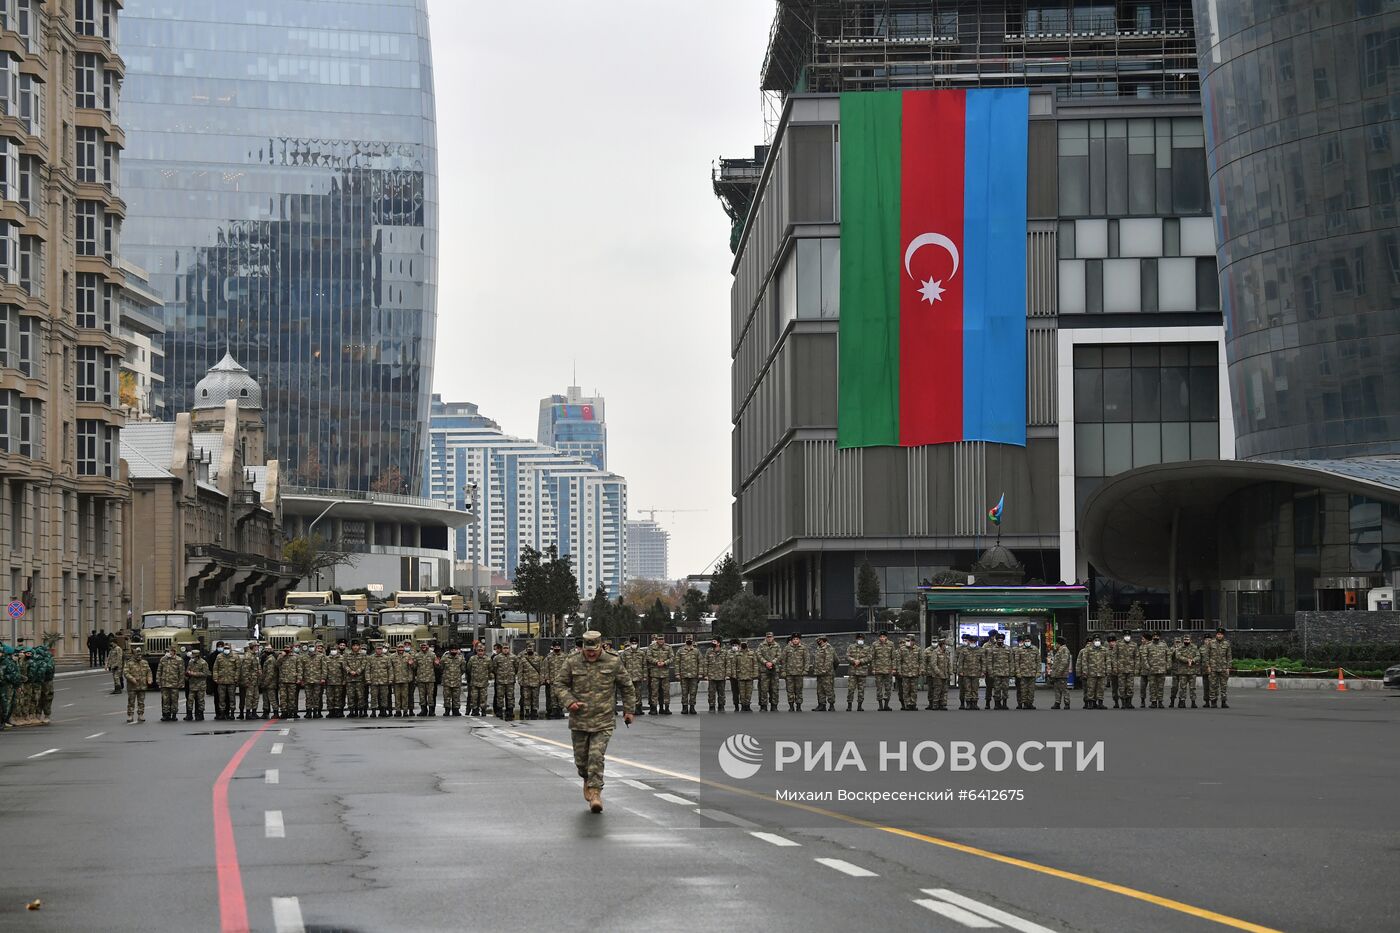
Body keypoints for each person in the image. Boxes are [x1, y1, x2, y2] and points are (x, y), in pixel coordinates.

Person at [552, 630, 636, 814]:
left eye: (594, 651)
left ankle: (596, 793)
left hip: (603, 719)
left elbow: (627, 686)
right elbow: (559, 684)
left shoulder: (613, 661)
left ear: (600, 647)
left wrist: (629, 710)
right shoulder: (572, 661)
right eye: (587, 650)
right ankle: (586, 779)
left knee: (596, 757)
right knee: (582, 761)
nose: (590, 654)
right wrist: (570, 701)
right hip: (579, 719)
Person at [1204, 627, 1233, 708]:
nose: (1219, 636)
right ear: (1216, 634)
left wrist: (1228, 667)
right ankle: (1213, 702)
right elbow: (1207, 655)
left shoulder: (1227, 643)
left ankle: (1224, 702)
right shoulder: (1211, 643)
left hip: (1223, 668)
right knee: (1213, 685)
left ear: (1223, 635)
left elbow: (1229, 656)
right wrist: (1208, 666)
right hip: (1213, 668)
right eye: (1218, 634)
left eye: (1221, 634)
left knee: (1223, 686)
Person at [645, 634, 673, 715]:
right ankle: (654, 708)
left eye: (662, 639)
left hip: (665, 673)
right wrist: (656, 662)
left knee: (666, 691)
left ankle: (665, 708)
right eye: (659, 639)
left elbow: (672, 657)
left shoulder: (668, 647)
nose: (661, 641)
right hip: (655, 673)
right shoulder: (651, 647)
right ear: (656, 640)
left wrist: (665, 663)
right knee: (654, 691)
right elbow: (648, 657)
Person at [156, 646, 185, 723]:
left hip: (174, 683)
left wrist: (181, 683)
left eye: (171, 651)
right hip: (164, 683)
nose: (170, 652)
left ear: (174, 651)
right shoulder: (163, 659)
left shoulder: (179, 660)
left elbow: (181, 673)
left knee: (174, 700)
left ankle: (174, 715)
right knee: (165, 700)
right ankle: (166, 715)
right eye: (169, 651)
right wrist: (158, 681)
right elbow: (159, 671)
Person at [1079, 636, 1109, 709]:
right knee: (1091, 688)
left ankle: (1100, 703)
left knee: (1101, 688)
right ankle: (1090, 703)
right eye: (1096, 640)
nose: (1097, 641)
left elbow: (1108, 660)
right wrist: (1085, 671)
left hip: (1101, 672)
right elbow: (1084, 661)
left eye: (1098, 640)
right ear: (1093, 641)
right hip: (1091, 672)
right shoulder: (1088, 650)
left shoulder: (1104, 650)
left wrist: (1108, 670)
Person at [781, 634, 809, 711]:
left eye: (797, 639)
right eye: (794, 639)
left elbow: (806, 660)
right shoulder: (787, 648)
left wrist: (806, 670)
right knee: (790, 691)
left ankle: (799, 706)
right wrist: (783, 671)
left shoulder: (803, 648)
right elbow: (783, 660)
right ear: (791, 640)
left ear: (799, 640)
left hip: (799, 673)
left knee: (799, 690)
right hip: (789, 673)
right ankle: (791, 706)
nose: (795, 640)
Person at [922, 636, 951, 710]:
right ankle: (934, 704)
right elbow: (933, 664)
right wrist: (938, 672)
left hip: (945, 674)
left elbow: (948, 663)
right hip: (936, 674)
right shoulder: (935, 652)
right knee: (936, 690)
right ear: (942, 645)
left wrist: (949, 671)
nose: (946, 646)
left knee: (944, 690)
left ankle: (943, 704)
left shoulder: (947, 652)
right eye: (945, 645)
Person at [491, 642, 518, 720]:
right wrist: (499, 674)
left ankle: (510, 711)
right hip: (500, 681)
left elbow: (516, 668)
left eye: (507, 648)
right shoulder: (497, 658)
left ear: (509, 649)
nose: (506, 650)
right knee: (500, 696)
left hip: (510, 681)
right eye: (504, 648)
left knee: (510, 697)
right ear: (502, 649)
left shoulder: (514, 657)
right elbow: (494, 668)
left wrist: (512, 674)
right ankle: (499, 710)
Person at [755, 632, 781, 712]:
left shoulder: (777, 645)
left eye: (771, 637)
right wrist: (766, 662)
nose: (769, 638)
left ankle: (774, 705)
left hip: (774, 670)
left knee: (774, 689)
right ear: (766, 637)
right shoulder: (761, 645)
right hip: (764, 670)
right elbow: (758, 655)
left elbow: (779, 655)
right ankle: (763, 706)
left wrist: (772, 662)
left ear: (773, 637)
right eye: (768, 637)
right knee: (763, 689)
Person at [675, 636, 702, 715]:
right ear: (685, 640)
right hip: (683, 675)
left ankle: (692, 707)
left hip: (694, 675)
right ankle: (684, 707)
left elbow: (700, 662)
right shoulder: (680, 650)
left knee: (693, 692)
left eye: (690, 639)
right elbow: (677, 663)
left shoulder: (696, 651)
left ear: (692, 640)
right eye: (687, 639)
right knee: (684, 692)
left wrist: (700, 673)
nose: (689, 640)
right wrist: (677, 673)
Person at [124, 649, 152, 723]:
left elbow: (149, 672)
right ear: (134, 655)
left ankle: (141, 714)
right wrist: (132, 678)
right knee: (131, 701)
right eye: (137, 655)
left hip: (142, 686)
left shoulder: (144, 662)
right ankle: (130, 715)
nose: (139, 656)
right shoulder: (129, 663)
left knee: (141, 701)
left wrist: (149, 679)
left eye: (140, 655)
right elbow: (126, 673)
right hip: (132, 686)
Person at [1171, 635, 1199, 708]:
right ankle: (1182, 702)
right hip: (1183, 671)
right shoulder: (1179, 647)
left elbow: (1198, 656)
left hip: (1192, 671)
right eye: (1185, 640)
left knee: (1192, 688)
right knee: (1183, 687)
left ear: (1190, 640)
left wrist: (1193, 660)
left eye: (1188, 640)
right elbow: (1178, 656)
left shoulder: (1194, 647)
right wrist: (1187, 660)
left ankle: (1193, 702)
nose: (1186, 641)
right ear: (1183, 640)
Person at [621, 637, 647, 715]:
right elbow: (622, 665)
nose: (634, 644)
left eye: (635, 643)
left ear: (638, 643)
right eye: (632, 643)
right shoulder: (625, 653)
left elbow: (644, 665)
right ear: (630, 643)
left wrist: (645, 675)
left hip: (638, 676)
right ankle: (627, 710)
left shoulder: (641, 653)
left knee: (638, 693)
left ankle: (638, 709)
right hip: (628, 677)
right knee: (627, 693)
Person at [516, 643, 542, 719]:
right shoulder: (523, 659)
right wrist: (520, 680)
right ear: (526, 650)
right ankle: (527, 711)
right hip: (526, 682)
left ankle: (534, 710)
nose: (530, 650)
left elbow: (541, 670)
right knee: (526, 697)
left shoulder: (538, 659)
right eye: (529, 649)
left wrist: (541, 680)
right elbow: (520, 671)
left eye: (531, 649)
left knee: (535, 697)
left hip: (535, 681)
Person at [703, 638, 730, 712]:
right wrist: (705, 674)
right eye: (712, 641)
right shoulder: (709, 651)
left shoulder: (724, 652)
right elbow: (705, 663)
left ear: (718, 643)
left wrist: (727, 674)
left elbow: (727, 663)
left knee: (721, 692)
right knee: (711, 692)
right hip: (711, 676)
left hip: (721, 675)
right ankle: (711, 706)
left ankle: (721, 706)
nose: (712, 642)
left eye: (714, 641)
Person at [811, 635, 837, 711]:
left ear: (823, 640)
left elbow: (830, 661)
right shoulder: (819, 649)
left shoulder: (828, 648)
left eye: (819, 640)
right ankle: (821, 705)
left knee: (829, 689)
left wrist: (826, 670)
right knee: (820, 690)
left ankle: (831, 705)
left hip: (827, 674)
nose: (817, 641)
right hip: (819, 673)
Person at [1144, 632, 1170, 708]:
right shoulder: (1148, 645)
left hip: (1162, 669)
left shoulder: (1164, 645)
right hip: (1151, 669)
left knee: (1160, 687)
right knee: (1152, 686)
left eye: (1157, 636)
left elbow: (1168, 655)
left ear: (1159, 637)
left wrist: (1168, 665)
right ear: (1152, 637)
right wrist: (1147, 666)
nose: (1156, 637)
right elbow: (1144, 656)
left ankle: (1160, 701)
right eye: (1154, 636)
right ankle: (1153, 702)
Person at [895, 636, 921, 710]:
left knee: (914, 690)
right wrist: (899, 671)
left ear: (913, 641)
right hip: (905, 673)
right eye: (906, 640)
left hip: (914, 672)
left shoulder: (918, 649)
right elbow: (899, 661)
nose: (907, 642)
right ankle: (907, 704)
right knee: (906, 690)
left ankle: (913, 704)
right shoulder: (902, 649)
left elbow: (921, 660)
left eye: (909, 641)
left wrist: (920, 670)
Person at [1014, 636, 1039, 710]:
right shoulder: (1020, 650)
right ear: (1024, 641)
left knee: (1031, 690)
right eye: (1026, 640)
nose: (1027, 642)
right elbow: (1016, 662)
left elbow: (1038, 661)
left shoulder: (1035, 649)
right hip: (1023, 673)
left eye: (1028, 640)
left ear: (1030, 641)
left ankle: (1030, 703)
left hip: (1032, 673)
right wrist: (1018, 672)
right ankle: (1024, 703)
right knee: (1023, 689)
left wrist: (1038, 672)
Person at [466, 642, 491, 716]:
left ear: (484, 651)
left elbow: (490, 668)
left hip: (483, 682)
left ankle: (483, 710)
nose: (480, 652)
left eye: (482, 650)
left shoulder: (488, 659)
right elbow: (468, 668)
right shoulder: (472, 659)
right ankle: (475, 710)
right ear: (476, 651)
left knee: (483, 697)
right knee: (474, 697)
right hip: (474, 682)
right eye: (479, 650)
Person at [542, 642, 566, 718]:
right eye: (555, 647)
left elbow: (567, 668)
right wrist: (547, 678)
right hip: (552, 680)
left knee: (561, 695)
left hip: (561, 680)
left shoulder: (564, 656)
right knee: (553, 696)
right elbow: (546, 668)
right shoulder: (549, 657)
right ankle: (554, 709)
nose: (557, 648)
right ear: (553, 647)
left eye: (558, 646)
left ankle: (560, 709)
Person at [845, 634, 870, 711]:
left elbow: (870, 657)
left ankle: (860, 705)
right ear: (856, 639)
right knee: (850, 689)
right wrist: (853, 660)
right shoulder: (851, 647)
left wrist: (860, 661)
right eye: (859, 638)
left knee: (861, 690)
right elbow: (847, 656)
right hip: (853, 672)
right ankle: (849, 705)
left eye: (861, 638)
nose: (860, 640)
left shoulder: (867, 648)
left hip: (862, 672)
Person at [367, 644, 393, 717]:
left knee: (384, 697)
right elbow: (367, 670)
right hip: (374, 681)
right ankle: (373, 711)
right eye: (377, 649)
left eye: (380, 649)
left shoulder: (387, 658)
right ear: (375, 649)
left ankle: (383, 711)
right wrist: (368, 679)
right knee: (373, 697)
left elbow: (390, 670)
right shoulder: (370, 658)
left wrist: (390, 679)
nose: (379, 650)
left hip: (384, 681)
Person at [1046, 638, 1072, 710]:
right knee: (1057, 689)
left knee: (1064, 689)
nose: (1055, 645)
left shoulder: (1064, 650)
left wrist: (1059, 672)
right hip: (1057, 674)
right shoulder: (1059, 650)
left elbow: (1064, 663)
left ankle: (1067, 703)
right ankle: (1057, 702)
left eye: (1056, 644)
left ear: (1059, 643)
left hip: (1061, 674)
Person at [415, 641, 440, 717]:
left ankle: (431, 711)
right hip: (421, 679)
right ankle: (423, 710)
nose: (423, 647)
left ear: (428, 646)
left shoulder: (432, 655)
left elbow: (437, 667)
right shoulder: (417, 655)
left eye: (425, 646)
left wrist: (437, 664)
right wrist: (411, 664)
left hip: (430, 679)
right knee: (422, 696)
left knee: (430, 696)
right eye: (422, 646)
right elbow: (415, 667)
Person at [185, 650, 210, 721]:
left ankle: (200, 714)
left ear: (198, 656)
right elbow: (188, 671)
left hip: (200, 685)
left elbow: (205, 674)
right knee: (190, 700)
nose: (193, 658)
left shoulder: (203, 663)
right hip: (192, 684)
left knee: (200, 700)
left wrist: (194, 674)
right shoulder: (190, 662)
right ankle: (189, 714)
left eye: (194, 657)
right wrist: (187, 675)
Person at [440, 645, 465, 716]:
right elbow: (441, 667)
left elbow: (463, 669)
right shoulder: (445, 658)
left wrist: (457, 675)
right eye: (452, 649)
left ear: (457, 650)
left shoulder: (461, 658)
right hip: (447, 681)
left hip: (456, 680)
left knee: (456, 696)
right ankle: (447, 710)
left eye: (455, 649)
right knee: (446, 696)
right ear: (450, 650)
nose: (454, 651)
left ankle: (456, 710)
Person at [733, 639, 757, 711]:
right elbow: (734, 665)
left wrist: (755, 674)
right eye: (742, 643)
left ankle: (748, 705)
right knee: (742, 692)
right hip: (740, 675)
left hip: (749, 675)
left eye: (745, 643)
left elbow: (755, 664)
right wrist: (734, 674)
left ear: (747, 644)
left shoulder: (751, 653)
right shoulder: (737, 654)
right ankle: (743, 706)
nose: (744, 644)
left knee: (749, 692)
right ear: (740, 644)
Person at [260, 647, 280, 719]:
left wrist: (265, 683)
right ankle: (265, 712)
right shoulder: (268, 659)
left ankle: (276, 712)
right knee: (265, 698)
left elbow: (270, 673)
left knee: (272, 699)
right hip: (267, 682)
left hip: (270, 683)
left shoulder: (270, 660)